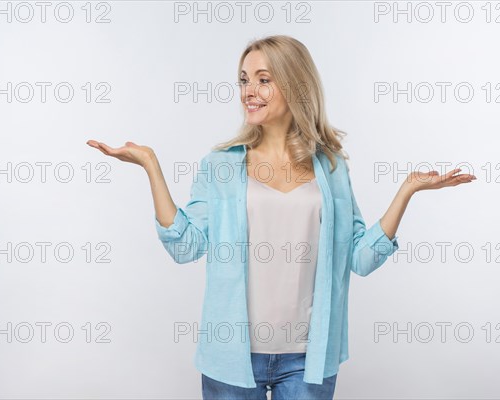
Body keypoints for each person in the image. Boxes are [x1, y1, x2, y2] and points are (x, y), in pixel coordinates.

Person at [87, 35, 476, 400]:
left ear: (295, 86)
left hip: (308, 359)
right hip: (232, 356)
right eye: (243, 80)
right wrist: (151, 166)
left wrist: (406, 191)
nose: (248, 92)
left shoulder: (331, 168)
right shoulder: (221, 166)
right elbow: (185, 247)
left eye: (263, 79)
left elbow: (360, 257)